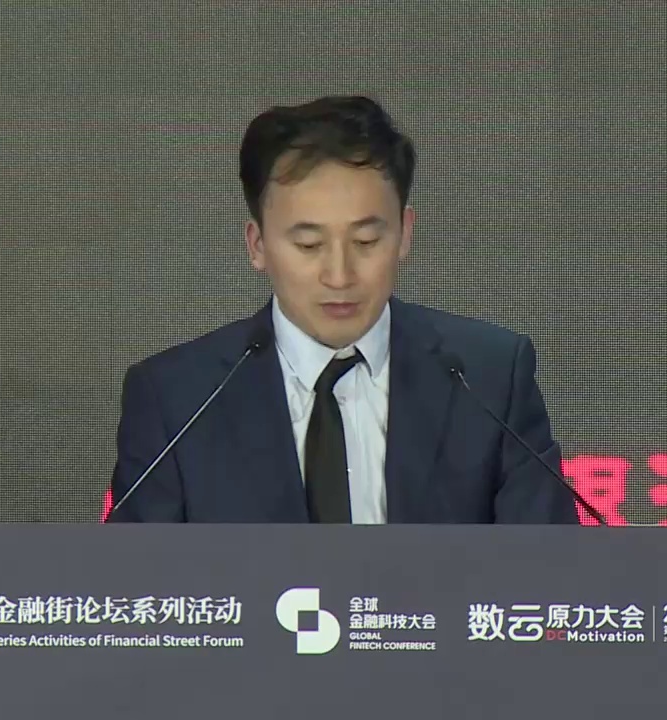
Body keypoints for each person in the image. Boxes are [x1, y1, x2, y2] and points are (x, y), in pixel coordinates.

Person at [108, 95, 579, 525]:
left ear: (405, 233)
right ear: (258, 245)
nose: (339, 275)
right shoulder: (177, 401)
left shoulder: (489, 377)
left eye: (366, 241)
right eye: (309, 244)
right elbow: (133, 581)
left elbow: (552, 571)